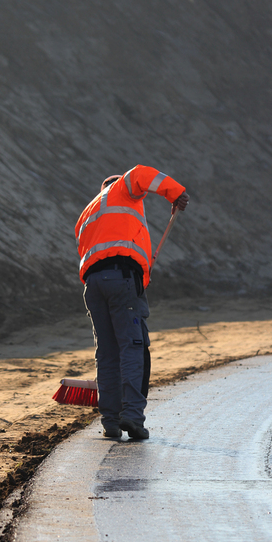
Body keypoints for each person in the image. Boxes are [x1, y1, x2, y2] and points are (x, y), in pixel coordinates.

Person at [75, 164, 189, 440]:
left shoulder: (87, 214)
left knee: (107, 353)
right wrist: (177, 193)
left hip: (93, 286)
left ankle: (111, 421)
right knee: (133, 346)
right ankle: (133, 417)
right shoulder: (123, 190)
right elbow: (140, 173)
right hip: (121, 280)